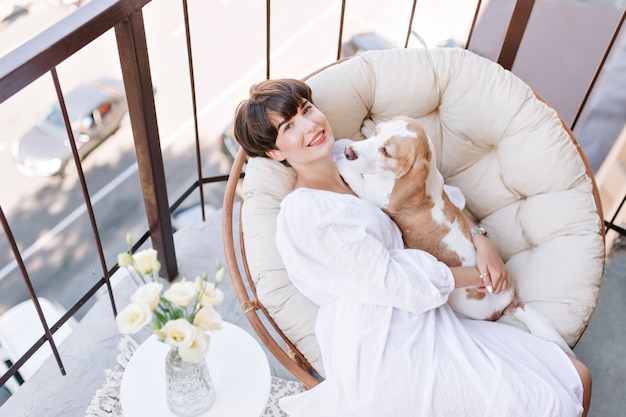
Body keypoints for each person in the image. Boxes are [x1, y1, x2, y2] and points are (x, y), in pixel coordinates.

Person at [233, 78, 592, 417]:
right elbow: (392, 282)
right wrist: (478, 276)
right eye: (288, 127)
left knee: (576, 378)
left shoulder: (351, 156)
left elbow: (431, 192)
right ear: (274, 152)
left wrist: (481, 241)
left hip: (427, 311)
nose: (308, 125)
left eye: (306, 109)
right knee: (546, 400)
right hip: (383, 336)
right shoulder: (306, 211)